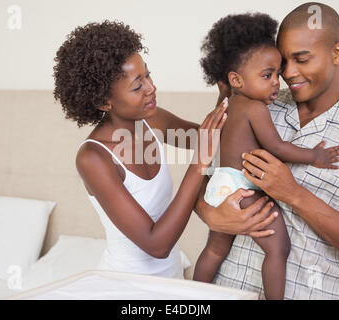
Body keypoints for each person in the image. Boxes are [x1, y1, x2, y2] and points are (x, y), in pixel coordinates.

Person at [194, 2, 339, 299]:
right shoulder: (259, 103)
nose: (289, 73)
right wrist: (211, 215)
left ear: (337, 53)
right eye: (283, 62)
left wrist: (293, 193)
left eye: (302, 59)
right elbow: (205, 182)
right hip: (226, 291)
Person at [52, 20, 275, 279]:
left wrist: (228, 92)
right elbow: (156, 244)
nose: (151, 88)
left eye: (148, 75)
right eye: (137, 86)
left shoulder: (151, 119)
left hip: (171, 279)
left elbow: (214, 138)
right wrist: (198, 163)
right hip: (125, 284)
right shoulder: (94, 158)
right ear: (104, 102)